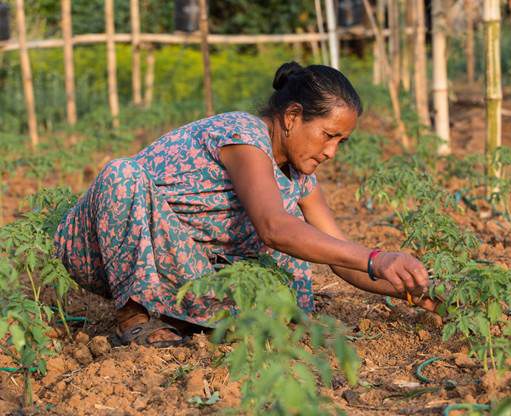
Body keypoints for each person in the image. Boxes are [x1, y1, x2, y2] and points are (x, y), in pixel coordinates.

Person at [54, 61, 435, 348]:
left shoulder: (301, 178)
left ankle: (184, 316)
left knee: (294, 259)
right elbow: (274, 227)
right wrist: (377, 257)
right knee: (121, 174)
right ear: (292, 117)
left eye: (341, 142)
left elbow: (339, 256)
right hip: (102, 248)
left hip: (179, 260)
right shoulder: (243, 135)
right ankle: (133, 315)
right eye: (328, 136)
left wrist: (415, 288)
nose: (332, 151)